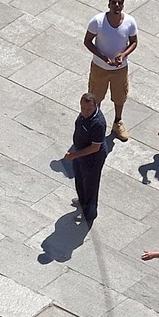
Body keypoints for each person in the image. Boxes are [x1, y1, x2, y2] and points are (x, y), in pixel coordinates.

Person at [83, 0, 137, 140]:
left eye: (120, 3)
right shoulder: (97, 21)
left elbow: (134, 42)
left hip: (120, 69)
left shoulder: (129, 22)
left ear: (123, 5)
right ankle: (94, 123)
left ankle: (117, 122)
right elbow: (87, 41)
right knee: (95, 96)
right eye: (114, 3)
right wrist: (102, 57)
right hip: (99, 67)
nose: (117, 5)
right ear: (109, 4)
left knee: (120, 96)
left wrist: (123, 55)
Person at [65, 93, 110, 224]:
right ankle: (82, 201)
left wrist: (74, 155)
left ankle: (89, 212)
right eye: (83, 108)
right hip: (80, 153)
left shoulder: (97, 123)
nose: (85, 112)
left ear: (95, 106)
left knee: (90, 184)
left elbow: (95, 147)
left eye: (89, 109)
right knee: (79, 178)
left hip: (92, 159)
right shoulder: (84, 115)